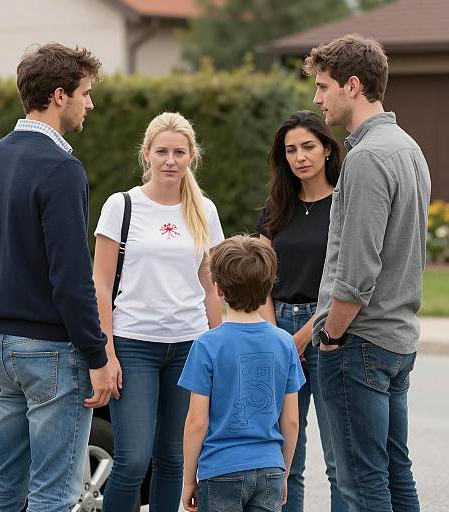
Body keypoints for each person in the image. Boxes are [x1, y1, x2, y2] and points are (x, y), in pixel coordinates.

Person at [0, 43, 113, 512]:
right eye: (85, 94)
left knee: (3, 486)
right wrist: (97, 355)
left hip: (3, 344)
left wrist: (5, 310)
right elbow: (71, 278)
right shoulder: (61, 168)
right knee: (55, 493)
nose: (89, 104)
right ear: (59, 95)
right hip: (52, 351)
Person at [303, 34, 431, 512]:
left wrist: (330, 334)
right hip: (397, 340)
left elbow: (357, 269)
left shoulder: (367, 158)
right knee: (396, 473)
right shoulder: (408, 148)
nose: (317, 99)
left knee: (361, 483)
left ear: (352, 85)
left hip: (360, 342)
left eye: (323, 87)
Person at [93, 111, 224, 512]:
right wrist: (107, 351)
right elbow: (99, 282)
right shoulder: (122, 205)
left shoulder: (205, 210)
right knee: (132, 459)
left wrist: (218, 350)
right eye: (162, 151)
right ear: (146, 154)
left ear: (191, 156)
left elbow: (211, 286)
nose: (171, 160)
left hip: (190, 347)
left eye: (179, 152)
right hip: (134, 346)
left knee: (174, 459)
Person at [256, 110, 347, 512]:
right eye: (290, 150)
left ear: (327, 148)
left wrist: (302, 337)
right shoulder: (275, 210)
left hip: (328, 331)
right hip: (277, 329)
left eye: (308, 146)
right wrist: (277, 338)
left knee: (339, 461)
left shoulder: (345, 205)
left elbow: (345, 280)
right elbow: (258, 280)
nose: (300, 157)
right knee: (284, 456)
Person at [178, 235, 305, 512]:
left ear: (219, 289)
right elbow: (292, 421)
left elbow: (196, 422)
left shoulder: (207, 345)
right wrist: (283, 472)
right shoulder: (284, 343)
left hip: (220, 469)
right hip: (270, 466)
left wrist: (188, 480)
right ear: (268, 286)